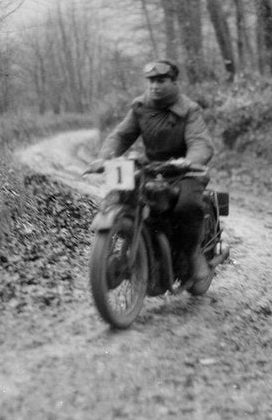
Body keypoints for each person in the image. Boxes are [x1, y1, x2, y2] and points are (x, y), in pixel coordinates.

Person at [90, 59, 214, 285]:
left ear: (174, 82)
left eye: (161, 80)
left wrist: (189, 161)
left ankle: (192, 254)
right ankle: (135, 242)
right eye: (151, 81)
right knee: (123, 197)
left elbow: (200, 142)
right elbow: (121, 135)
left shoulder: (189, 109)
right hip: (152, 168)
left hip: (185, 173)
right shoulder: (140, 107)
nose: (155, 86)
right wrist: (105, 157)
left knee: (187, 207)